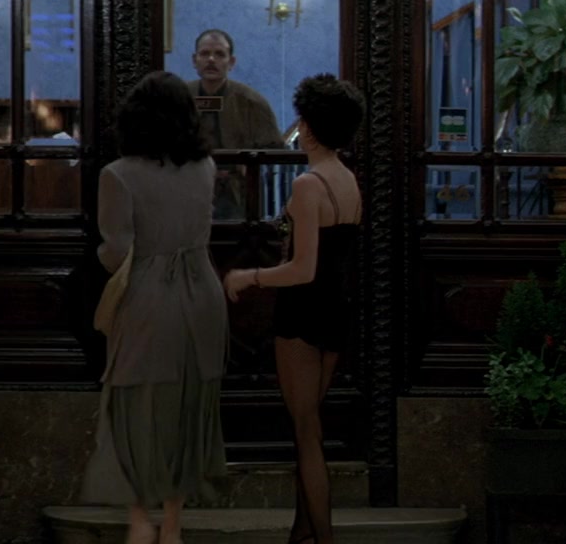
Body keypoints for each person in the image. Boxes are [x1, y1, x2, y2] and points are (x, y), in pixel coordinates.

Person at [80, 70, 229, 544]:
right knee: (189, 405)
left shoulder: (118, 175)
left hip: (149, 296)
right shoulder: (205, 168)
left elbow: (116, 251)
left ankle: (141, 520)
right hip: (204, 293)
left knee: (138, 406)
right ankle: (173, 525)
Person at [222, 73, 365, 544]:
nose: (298, 128)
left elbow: (303, 269)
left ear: (311, 128)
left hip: (302, 314)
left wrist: (249, 277)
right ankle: (302, 531)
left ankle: (322, 538)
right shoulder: (348, 180)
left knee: (306, 434)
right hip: (335, 311)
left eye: (302, 120)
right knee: (310, 426)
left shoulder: (308, 185)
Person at [185, 29, 284, 219]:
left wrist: (248, 166)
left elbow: (275, 147)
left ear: (231, 62)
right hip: (188, 189)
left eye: (219, 54)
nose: (211, 60)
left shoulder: (251, 101)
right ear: (194, 60)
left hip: (236, 192)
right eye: (204, 53)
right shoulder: (181, 98)